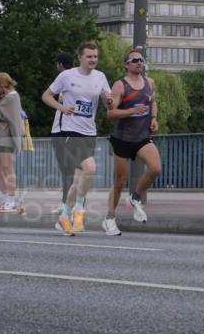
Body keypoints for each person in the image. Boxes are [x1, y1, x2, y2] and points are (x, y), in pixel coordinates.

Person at [42, 41, 113, 236]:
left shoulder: (100, 77)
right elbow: (46, 96)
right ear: (80, 57)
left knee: (80, 177)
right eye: (89, 56)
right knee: (90, 168)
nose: (93, 60)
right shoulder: (67, 75)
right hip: (69, 131)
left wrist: (109, 101)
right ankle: (79, 210)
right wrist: (62, 107)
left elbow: (109, 103)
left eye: (95, 57)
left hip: (89, 131)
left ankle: (66, 214)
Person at [102, 49, 162, 236]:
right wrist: (132, 112)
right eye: (134, 60)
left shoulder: (150, 82)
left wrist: (153, 118)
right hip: (123, 139)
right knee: (119, 182)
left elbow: (152, 101)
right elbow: (110, 114)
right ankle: (110, 218)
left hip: (142, 137)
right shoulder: (120, 85)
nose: (138, 62)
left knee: (155, 168)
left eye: (141, 60)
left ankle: (135, 197)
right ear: (126, 65)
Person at [0, 72, 25, 213]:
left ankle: (12, 201)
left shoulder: (12, 97)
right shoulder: (5, 97)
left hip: (7, 137)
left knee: (8, 169)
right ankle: (6, 198)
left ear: (0, 84)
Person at [49, 51, 74, 214]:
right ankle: (69, 203)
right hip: (65, 129)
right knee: (70, 170)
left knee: (68, 169)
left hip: (63, 130)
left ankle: (68, 204)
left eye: (57, 63)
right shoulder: (73, 77)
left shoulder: (65, 78)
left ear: (60, 64)